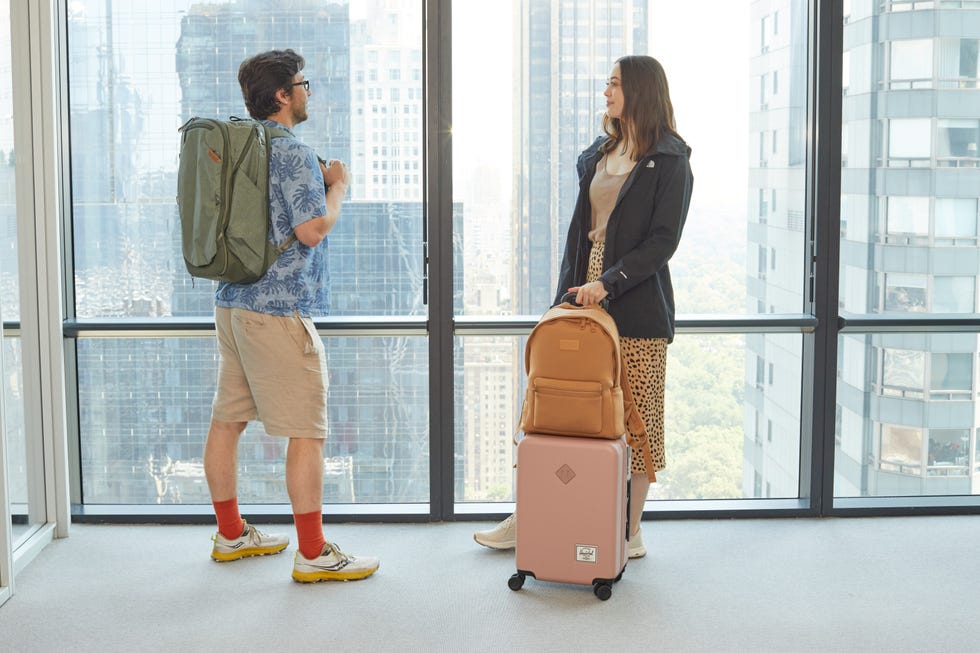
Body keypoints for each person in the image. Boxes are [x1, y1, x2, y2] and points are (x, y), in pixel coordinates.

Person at [474, 55, 693, 559]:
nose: (606, 92)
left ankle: (628, 532)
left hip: (634, 303)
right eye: (607, 84)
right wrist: (568, 296)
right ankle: (533, 516)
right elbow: (581, 234)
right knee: (561, 410)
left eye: (614, 84)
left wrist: (609, 283)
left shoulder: (670, 160)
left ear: (639, 91)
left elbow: (663, 243)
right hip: (583, 294)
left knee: (637, 422)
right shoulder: (600, 153)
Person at [204, 49, 379, 583]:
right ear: (283, 94)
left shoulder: (239, 148)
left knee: (227, 421)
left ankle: (231, 534)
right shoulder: (292, 151)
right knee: (308, 430)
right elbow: (311, 230)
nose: (307, 92)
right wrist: (338, 186)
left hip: (232, 305)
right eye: (303, 83)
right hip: (277, 310)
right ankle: (312, 552)